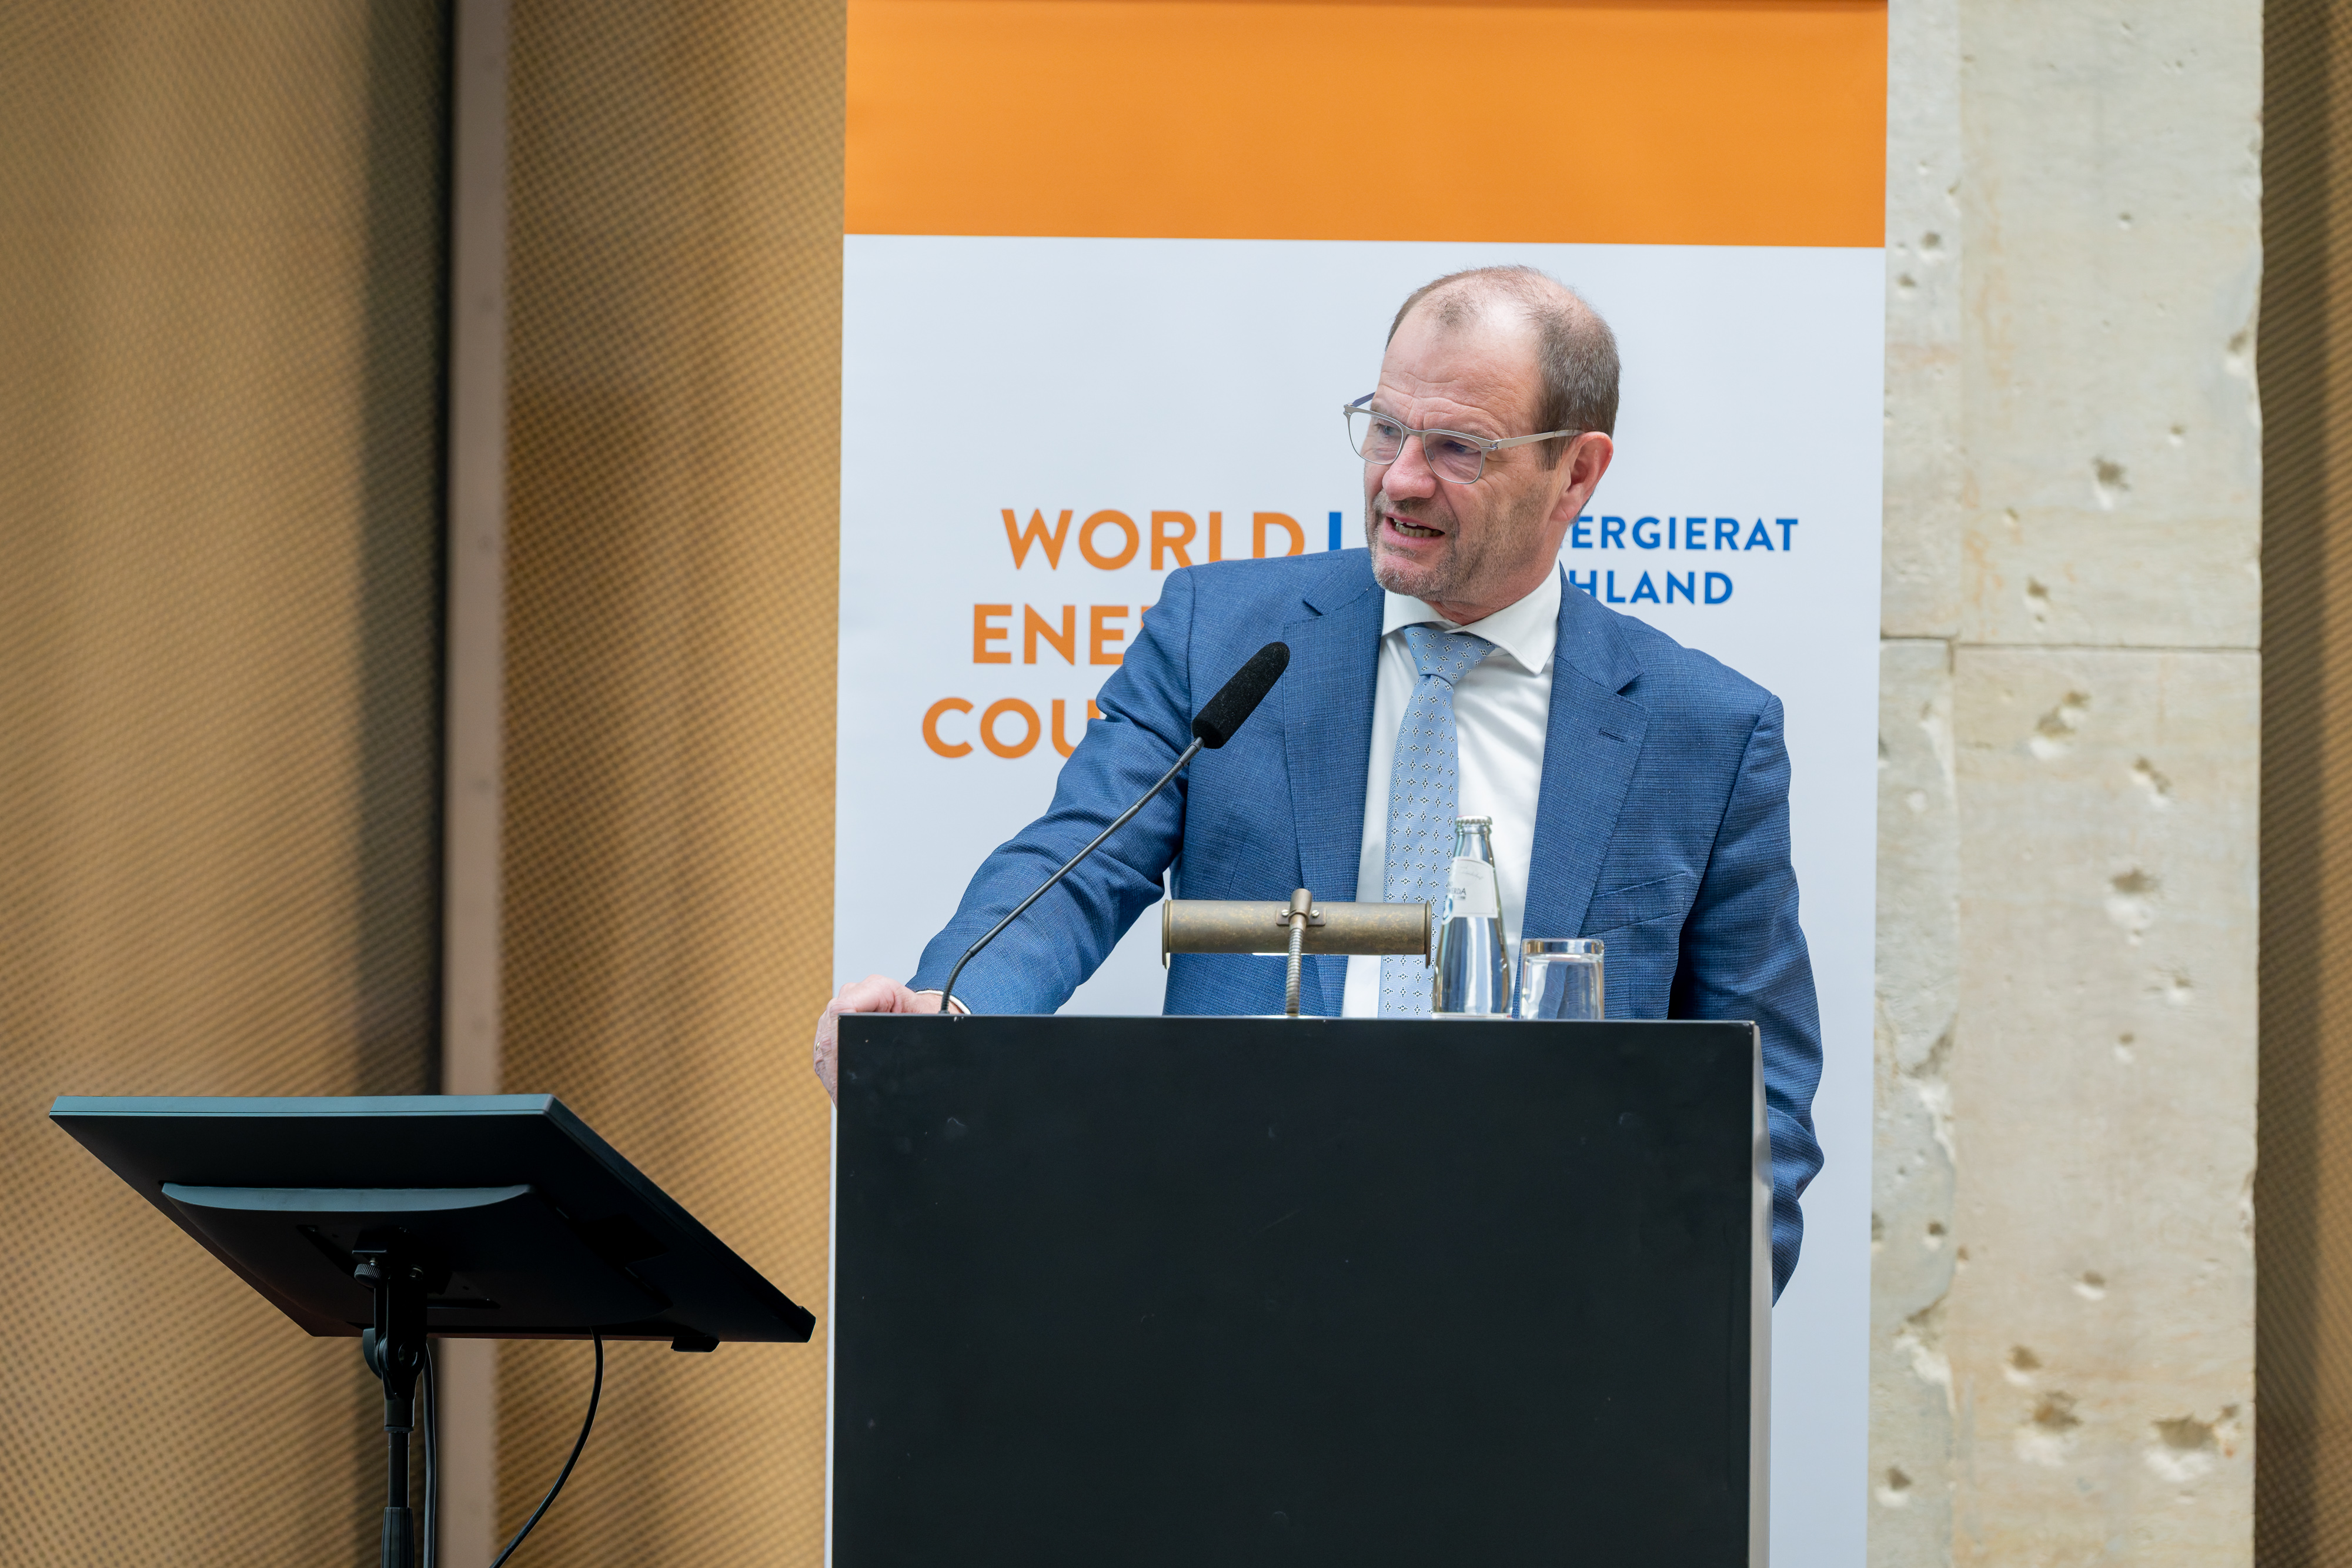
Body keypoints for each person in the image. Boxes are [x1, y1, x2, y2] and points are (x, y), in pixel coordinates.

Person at [816, 265, 1824, 1296]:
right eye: (1385, 429)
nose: (1401, 480)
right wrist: (949, 1020)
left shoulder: (1703, 730)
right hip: (1235, 1263)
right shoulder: (1221, 636)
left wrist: (1702, 1304)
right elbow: (1079, 862)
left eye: (1458, 448)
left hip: (1552, 1293)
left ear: (1578, 473)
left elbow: (1765, 1090)